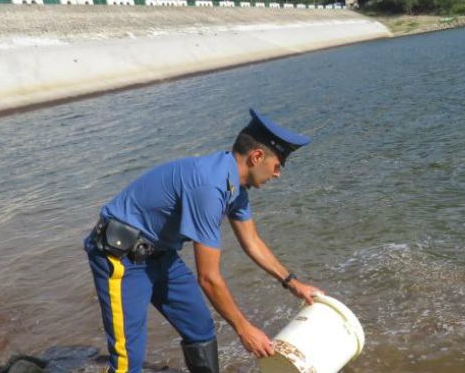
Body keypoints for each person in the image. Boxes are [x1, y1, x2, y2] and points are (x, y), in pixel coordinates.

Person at [84, 108, 324, 373]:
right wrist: (244, 329)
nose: (278, 174)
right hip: (121, 258)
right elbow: (208, 278)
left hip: (161, 255)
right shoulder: (210, 188)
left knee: (199, 328)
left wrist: (292, 283)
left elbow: (252, 242)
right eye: (278, 165)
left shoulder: (235, 189)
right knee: (128, 355)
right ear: (257, 157)